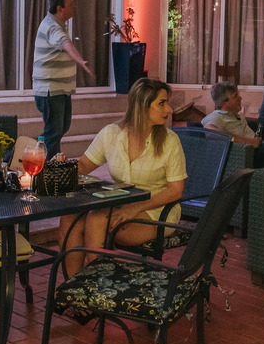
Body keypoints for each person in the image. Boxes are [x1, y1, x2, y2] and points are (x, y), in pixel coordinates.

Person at [60, 78, 187, 276]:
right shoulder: (111, 134)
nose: (169, 109)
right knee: (70, 217)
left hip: (157, 210)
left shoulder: (170, 141)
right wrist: (61, 168)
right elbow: (84, 165)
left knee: (96, 218)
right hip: (119, 205)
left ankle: (98, 286)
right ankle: (73, 284)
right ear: (142, 105)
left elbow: (176, 191)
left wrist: (135, 208)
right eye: (162, 103)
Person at [32, 0, 94, 157]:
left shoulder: (58, 24)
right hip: (50, 90)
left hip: (60, 89)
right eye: (70, 4)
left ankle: (29, 151)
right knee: (54, 131)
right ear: (59, 8)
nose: (74, 7)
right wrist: (80, 61)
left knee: (61, 128)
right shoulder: (52, 26)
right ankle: (50, 166)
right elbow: (65, 43)